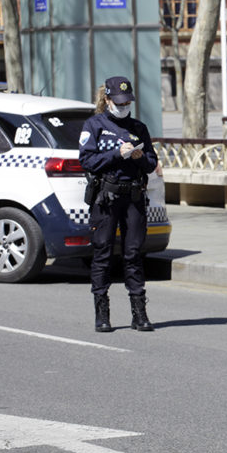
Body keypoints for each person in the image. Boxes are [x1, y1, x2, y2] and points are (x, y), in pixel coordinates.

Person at [79, 76, 158, 333]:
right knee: (102, 254)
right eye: (119, 102)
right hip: (106, 197)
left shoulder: (138, 127)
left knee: (133, 254)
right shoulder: (95, 125)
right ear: (107, 99)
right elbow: (87, 161)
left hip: (133, 197)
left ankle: (139, 313)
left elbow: (150, 163)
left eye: (127, 102)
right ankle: (102, 314)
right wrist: (116, 154)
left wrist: (137, 156)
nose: (123, 106)